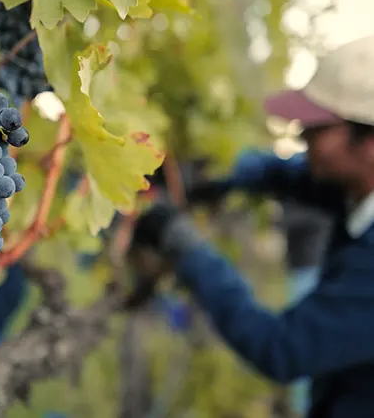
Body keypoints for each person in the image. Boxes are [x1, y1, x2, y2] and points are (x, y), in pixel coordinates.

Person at [128, 35, 374, 418]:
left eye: (318, 127)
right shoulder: (357, 183)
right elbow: (283, 173)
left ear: (370, 144)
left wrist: (184, 246)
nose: (301, 135)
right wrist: (209, 177)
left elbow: (281, 349)